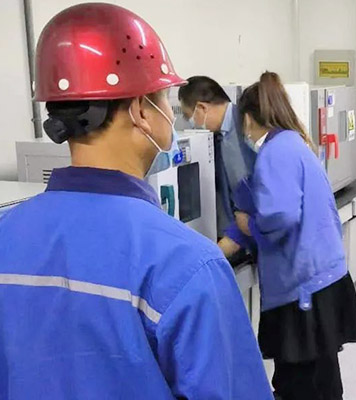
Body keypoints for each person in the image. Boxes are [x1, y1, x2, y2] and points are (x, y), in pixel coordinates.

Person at [0, 4, 272, 399]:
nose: (173, 117)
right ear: (142, 110)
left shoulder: (6, 236)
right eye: (166, 99)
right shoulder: (187, 265)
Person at [222, 71, 356, 400]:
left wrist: (250, 227)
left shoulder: (275, 152)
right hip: (322, 276)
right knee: (322, 377)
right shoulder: (295, 143)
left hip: (303, 285)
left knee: (298, 383)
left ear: (248, 119)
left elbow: (281, 215)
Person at [177, 77, 257, 255]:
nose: (190, 123)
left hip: (254, 232)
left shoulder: (248, 128)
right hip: (239, 233)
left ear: (201, 108)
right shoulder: (219, 137)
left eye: (188, 116)